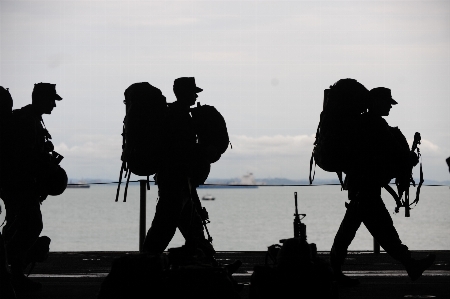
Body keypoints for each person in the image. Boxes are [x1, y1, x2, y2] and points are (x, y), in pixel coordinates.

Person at [330, 87, 435, 287]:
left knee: (358, 230)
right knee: (382, 232)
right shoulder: (375, 123)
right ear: (375, 102)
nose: (389, 106)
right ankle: (410, 264)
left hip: (362, 186)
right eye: (387, 102)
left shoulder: (363, 123)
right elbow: (394, 152)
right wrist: (410, 158)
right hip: (366, 187)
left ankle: (334, 270)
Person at [143, 77, 215, 261]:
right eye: (192, 92)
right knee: (164, 228)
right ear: (182, 93)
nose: (195, 95)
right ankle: (144, 265)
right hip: (176, 181)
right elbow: (181, 151)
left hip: (179, 182)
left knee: (193, 229)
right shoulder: (178, 116)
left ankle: (210, 265)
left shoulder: (177, 114)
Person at [1, 83, 62, 291]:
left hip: (17, 184)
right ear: (41, 99)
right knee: (31, 225)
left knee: (17, 227)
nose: (54, 104)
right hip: (19, 185)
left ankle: (12, 273)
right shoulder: (27, 121)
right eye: (52, 99)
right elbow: (25, 157)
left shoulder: (32, 119)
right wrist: (47, 167)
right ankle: (15, 274)